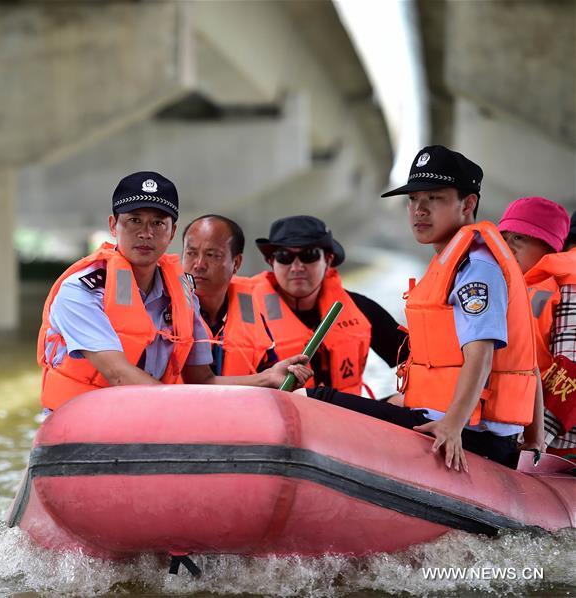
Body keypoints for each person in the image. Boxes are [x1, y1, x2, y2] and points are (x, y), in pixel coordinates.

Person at [309, 145, 541, 472]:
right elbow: (526, 365)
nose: (419, 210)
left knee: (319, 401)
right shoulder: (452, 260)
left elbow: (481, 355)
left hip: (473, 433)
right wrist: (534, 439)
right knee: (372, 404)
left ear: (468, 203)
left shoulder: (475, 268)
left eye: (434, 198)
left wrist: (453, 426)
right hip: (446, 417)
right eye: (413, 199)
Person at [36, 171, 312, 411]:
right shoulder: (81, 292)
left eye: (158, 223)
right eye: (134, 220)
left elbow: (203, 380)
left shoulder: (181, 290)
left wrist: (268, 378)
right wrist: (188, 411)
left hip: (151, 423)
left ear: (171, 232)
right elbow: (119, 375)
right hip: (80, 430)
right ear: (113, 225)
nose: (146, 233)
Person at [251, 215, 408, 396]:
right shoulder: (244, 314)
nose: (296, 266)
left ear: (328, 260)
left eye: (309, 255)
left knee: (400, 402)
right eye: (284, 256)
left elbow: (414, 358)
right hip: (275, 418)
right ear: (271, 262)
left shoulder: (359, 308)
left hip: (344, 419)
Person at [503, 203, 576, 459]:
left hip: (551, 444)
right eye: (504, 237)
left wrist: (535, 439)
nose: (507, 246)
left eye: (519, 238)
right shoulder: (522, 285)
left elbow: (572, 367)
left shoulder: (568, 279)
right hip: (514, 423)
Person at [181, 215, 277, 376]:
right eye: (191, 253)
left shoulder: (250, 313)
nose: (199, 265)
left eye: (212, 255)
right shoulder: (163, 308)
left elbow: (272, 375)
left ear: (236, 263)